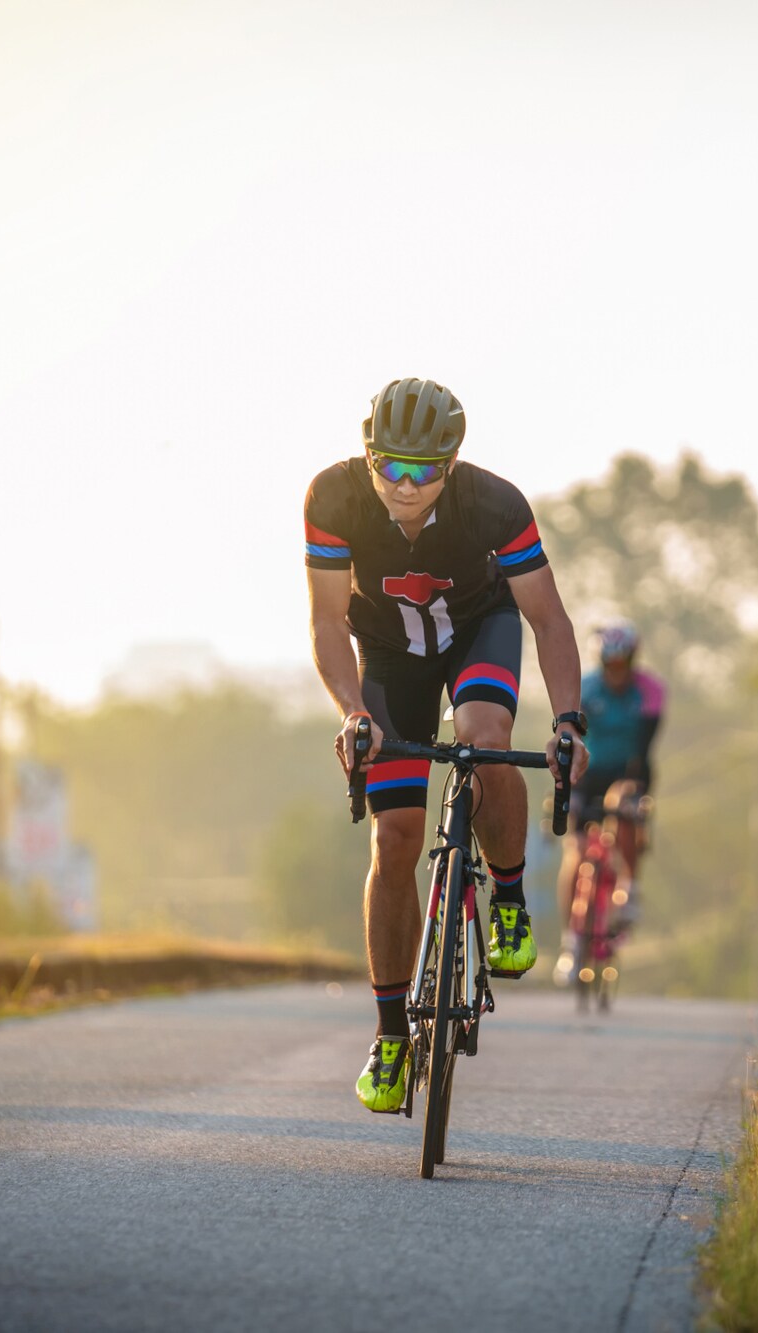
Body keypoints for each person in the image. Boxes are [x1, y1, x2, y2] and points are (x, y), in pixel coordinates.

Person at [304, 377, 590, 1114]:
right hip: (390, 659)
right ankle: (392, 1035)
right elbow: (329, 623)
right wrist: (349, 711)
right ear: (368, 456)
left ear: (452, 462)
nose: (405, 485)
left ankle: (511, 899)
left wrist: (567, 722)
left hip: (477, 633)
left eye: (424, 470)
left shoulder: (495, 505)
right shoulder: (332, 499)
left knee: (484, 737)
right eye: (391, 466)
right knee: (394, 839)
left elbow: (550, 622)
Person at [553, 620, 665, 983]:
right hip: (588, 774)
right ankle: (571, 942)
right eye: (610, 665)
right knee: (578, 850)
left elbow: (646, 747)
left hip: (629, 770)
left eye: (623, 665)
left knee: (626, 806)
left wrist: (636, 788)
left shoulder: (649, 691)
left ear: (632, 661)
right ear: (601, 663)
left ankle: (628, 889)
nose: (616, 673)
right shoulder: (585, 690)